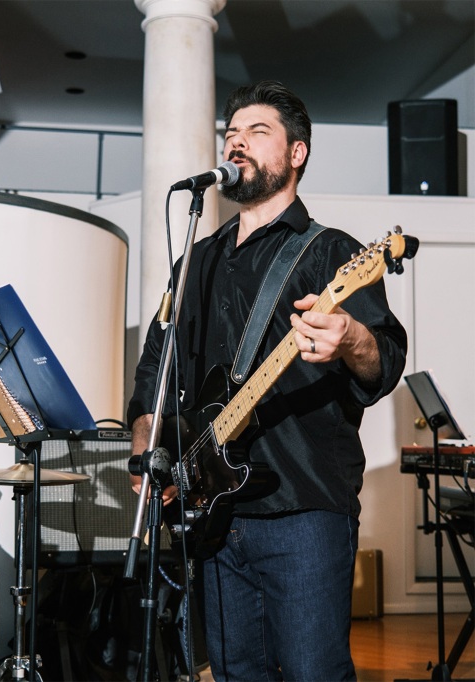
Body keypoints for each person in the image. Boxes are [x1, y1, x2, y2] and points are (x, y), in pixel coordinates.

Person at [126, 81, 407, 681]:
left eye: (257, 132)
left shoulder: (331, 252)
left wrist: (349, 338)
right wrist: (146, 449)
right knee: (234, 674)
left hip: (303, 509)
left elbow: (384, 359)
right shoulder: (196, 262)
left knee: (313, 673)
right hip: (213, 516)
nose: (237, 143)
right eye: (232, 134)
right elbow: (156, 364)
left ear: (296, 153)